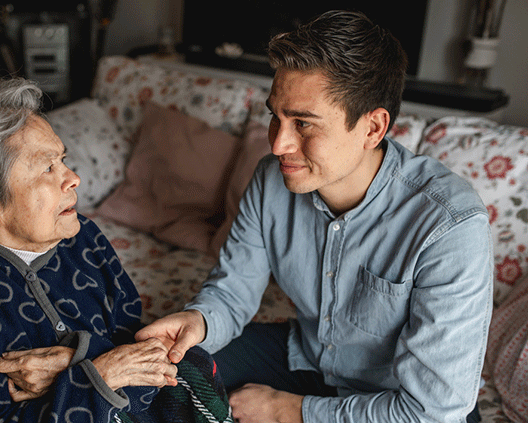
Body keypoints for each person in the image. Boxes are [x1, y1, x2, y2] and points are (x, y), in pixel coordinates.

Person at [136, 10, 493, 423]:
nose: (279, 144)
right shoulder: (273, 179)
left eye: (303, 123)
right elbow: (233, 292)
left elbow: (433, 410)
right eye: (276, 116)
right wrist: (200, 321)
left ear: (373, 128)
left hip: (399, 397)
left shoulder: (450, 225)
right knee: (169, 378)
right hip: (305, 356)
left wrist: (287, 410)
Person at [0, 76, 231, 423]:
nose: (73, 178)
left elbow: (133, 344)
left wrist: (77, 362)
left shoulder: (83, 234)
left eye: (63, 160)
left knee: (193, 365)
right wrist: (97, 374)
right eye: (47, 167)